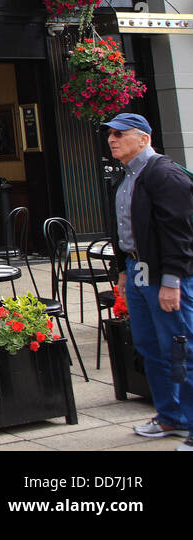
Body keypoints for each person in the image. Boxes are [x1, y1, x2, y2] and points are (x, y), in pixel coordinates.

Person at [104, 113, 193, 451]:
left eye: (120, 134)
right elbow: (124, 228)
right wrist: (123, 272)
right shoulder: (125, 176)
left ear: (143, 138)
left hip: (168, 277)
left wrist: (172, 281)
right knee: (149, 346)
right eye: (109, 135)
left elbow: (179, 235)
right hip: (137, 271)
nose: (112, 140)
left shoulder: (164, 174)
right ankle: (170, 416)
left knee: (181, 349)